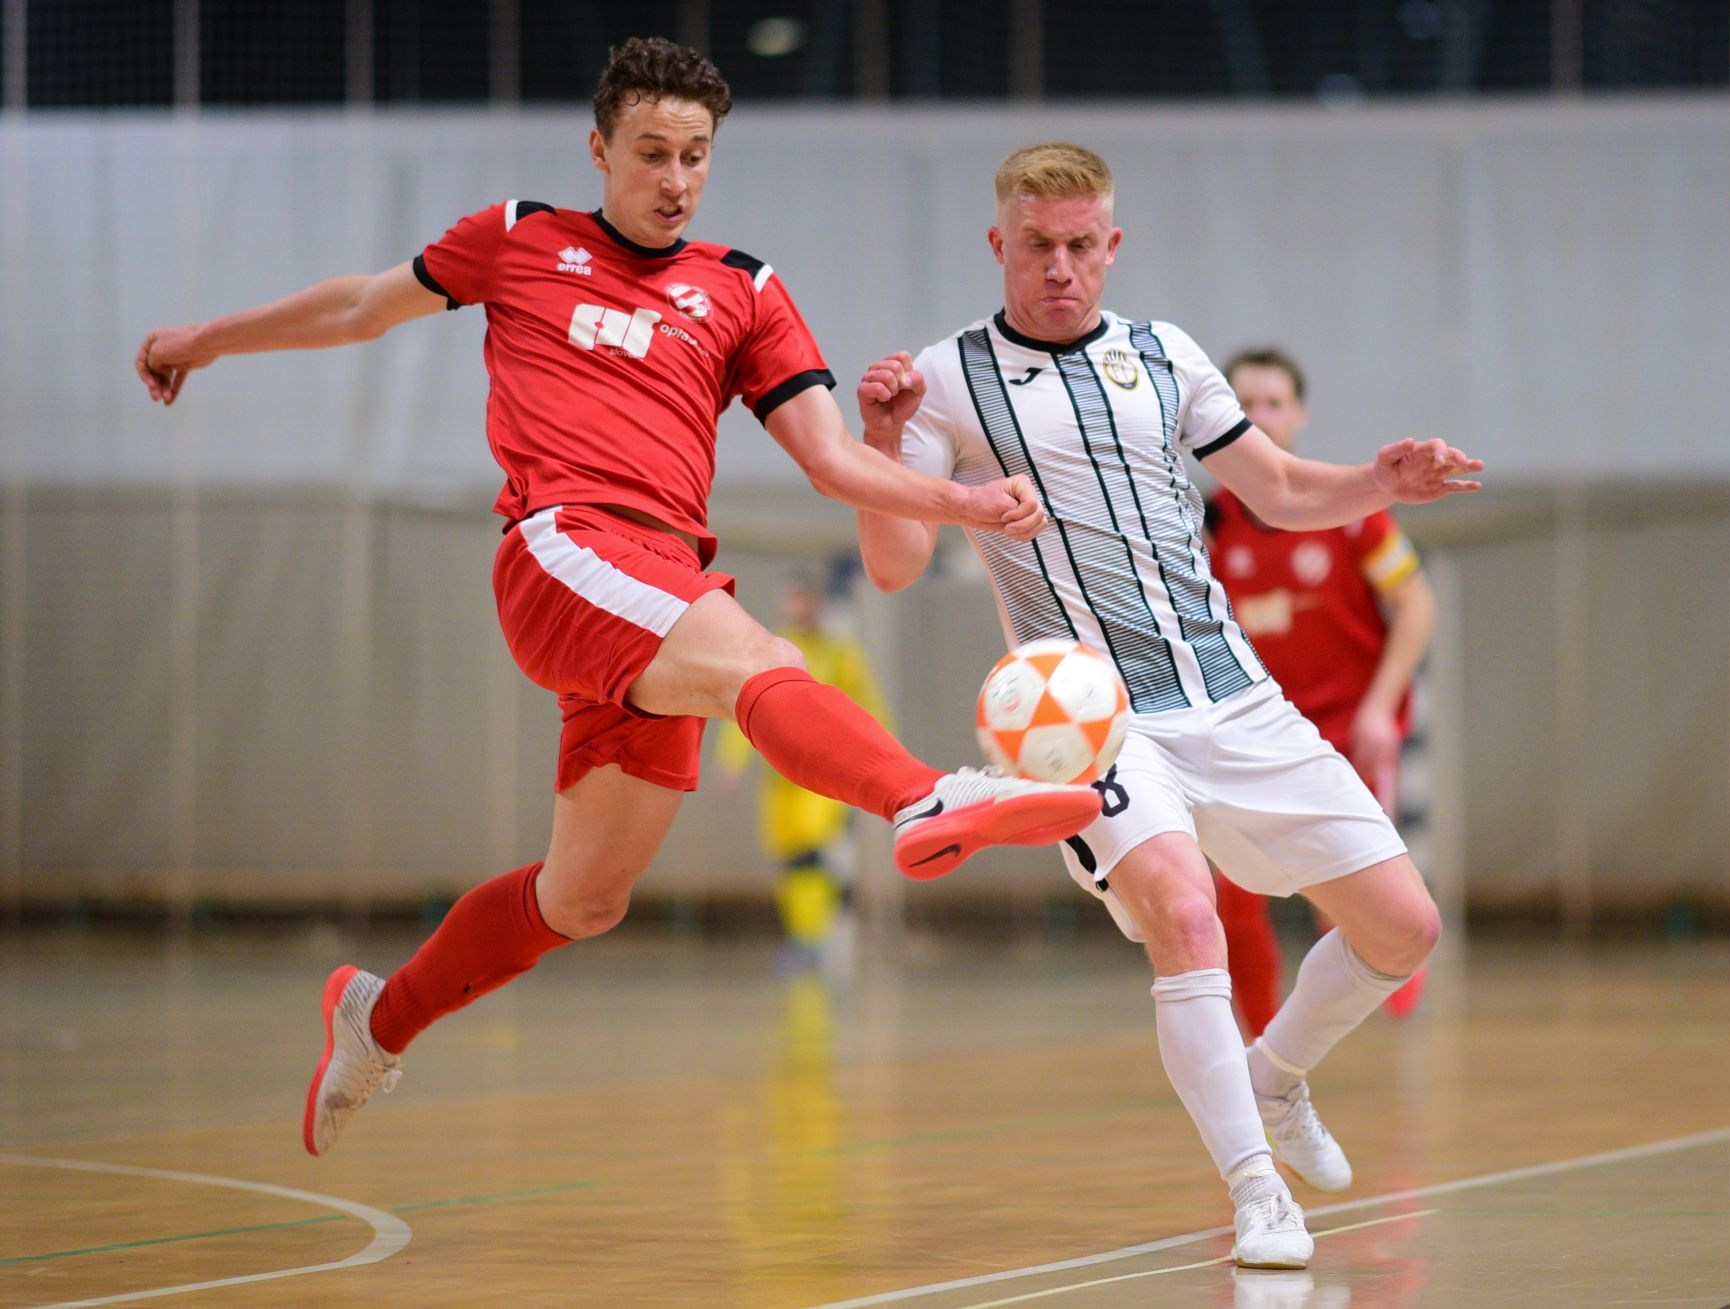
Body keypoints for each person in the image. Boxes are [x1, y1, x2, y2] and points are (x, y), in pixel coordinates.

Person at [133, 38, 1103, 1159]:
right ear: (598, 150)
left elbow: (831, 459)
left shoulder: (744, 289)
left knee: (584, 898)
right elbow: (357, 307)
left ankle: (375, 1016)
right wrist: (201, 341)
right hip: (564, 548)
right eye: (651, 153)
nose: (675, 178)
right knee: (759, 662)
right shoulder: (517, 238)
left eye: (695, 155)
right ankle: (924, 796)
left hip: (660, 586)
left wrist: (963, 501)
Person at [851, 143, 1481, 1269]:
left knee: (1404, 927)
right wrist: (885, 441)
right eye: (1036, 246)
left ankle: (1274, 1077)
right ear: (998, 244)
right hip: (1095, 720)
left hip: (1232, 693)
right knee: (1188, 920)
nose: (1059, 267)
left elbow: (1277, 489)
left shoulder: (1166, 355)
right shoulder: (946, 378)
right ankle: (1257, 1194)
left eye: (1079, 245)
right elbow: (895, 566)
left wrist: (1380, 481)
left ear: (1112, 244)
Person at [1208, 349, 1435, 1035]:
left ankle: (1379, 970)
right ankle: (1261, 1047)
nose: (1259, 417)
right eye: (1244, 404)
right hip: (1255, 732)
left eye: (1273, 403)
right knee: (1231, 894)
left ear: (1299, 414)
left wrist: (1379, 709)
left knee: (1343, 899)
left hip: (1346, 728)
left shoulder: (1352, 509)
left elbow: (1417, 604)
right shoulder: (1207, 524)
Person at [713, 574, 891, 969]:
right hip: (780, 780)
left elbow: (867, 704)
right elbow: (745, 707)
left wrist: (885, 757)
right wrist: (730, 763)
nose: (798, 608)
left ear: (817, 605)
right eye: (792, 600)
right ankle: (803, 936)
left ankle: (816, 936)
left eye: (805, 600)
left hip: (823, 779)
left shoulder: (839, 655)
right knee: (790, 860)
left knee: (812, 852)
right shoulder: (768, 649)